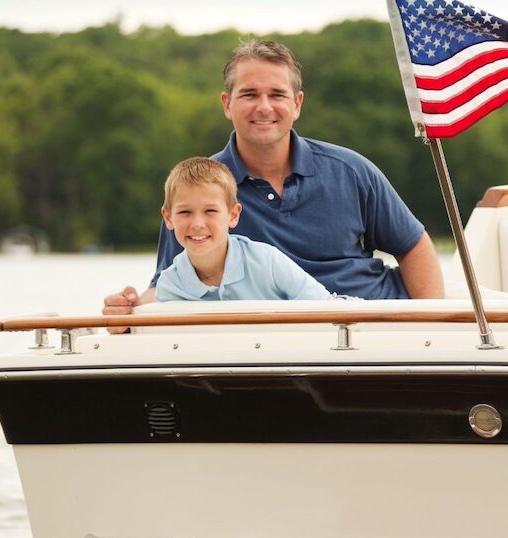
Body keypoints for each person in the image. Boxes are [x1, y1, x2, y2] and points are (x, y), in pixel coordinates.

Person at [105, 40, 443, 329]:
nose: (264, 107)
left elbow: (413, 245)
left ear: (296, 104)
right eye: (250, 94)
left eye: (277, 95)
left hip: (372, 326)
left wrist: (429, 328)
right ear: (227, 104)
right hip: (270, 344)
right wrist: (128, 307)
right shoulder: (197, 192)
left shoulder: (351, 170)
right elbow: (169, 285)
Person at [156, 156, 332, 302]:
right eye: (185, 212)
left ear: (233, 215)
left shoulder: (267, 261)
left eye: (210, 211)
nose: (197, 224)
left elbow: (328, 307)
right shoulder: (171, 285)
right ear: (168, 218)